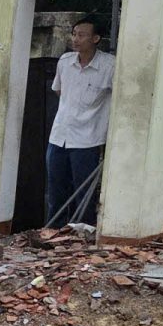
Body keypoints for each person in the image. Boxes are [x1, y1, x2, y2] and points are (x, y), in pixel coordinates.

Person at [46, 16, 114, 227]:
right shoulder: (65, 62)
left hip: (88, 139)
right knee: (55, 189)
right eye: (74, 34)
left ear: (95, 38)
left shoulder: (109, 66)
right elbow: (59, 90)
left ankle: (82, 233)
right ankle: (54, 232)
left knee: (84, 193)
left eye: (82, 35)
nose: (76, 39)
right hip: (59, 136)